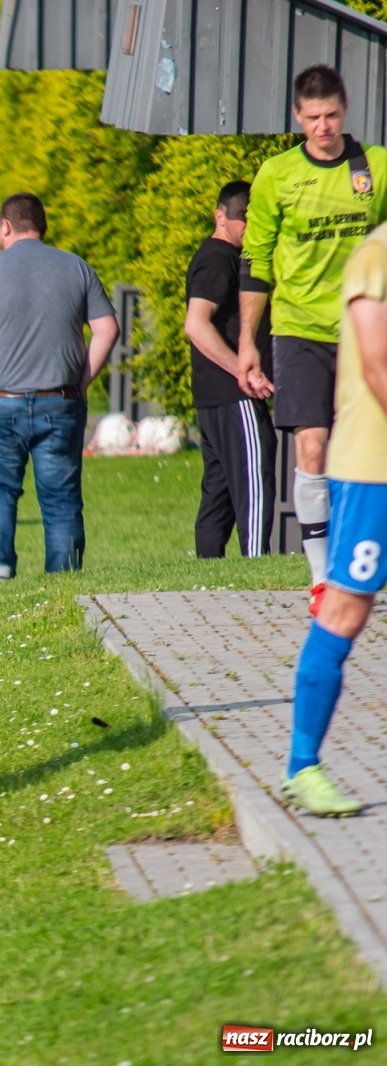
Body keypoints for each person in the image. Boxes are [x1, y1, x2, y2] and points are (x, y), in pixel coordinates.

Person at [239, 65, 387, 614]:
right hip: (298, 326)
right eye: (312, 119)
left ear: (344, 111)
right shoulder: (276, 175)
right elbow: (254, 261)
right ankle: (322, 575)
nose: (322, 127)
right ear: (297, 118)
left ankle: (359, 558)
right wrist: (248, 344)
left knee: (361, 449)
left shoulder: (375, 167)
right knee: (311, 445)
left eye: (330, 116)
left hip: (361, 328)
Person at [0, 193, 119, 581]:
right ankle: (64, 579)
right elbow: (108, 330)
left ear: (5, 226)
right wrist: (81, 381)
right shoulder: (76, 268)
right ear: (41, 226)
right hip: (60, 402)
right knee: (61, 499)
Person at [279, 213, 387, 817]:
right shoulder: (377, 255)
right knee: (347, 610)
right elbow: (376, 366)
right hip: (373, 467)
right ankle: (303, 767)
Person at [184, 181, 277, 558]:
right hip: (233, 395)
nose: (246, 226)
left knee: (219, 492)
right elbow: (196, 324)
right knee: (255, 479)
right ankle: (255, 564)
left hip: (214, 398)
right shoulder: (218, 258)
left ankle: (209, 572)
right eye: (241, 217)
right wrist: (242, 369)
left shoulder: (220, 257)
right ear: (220, 216)